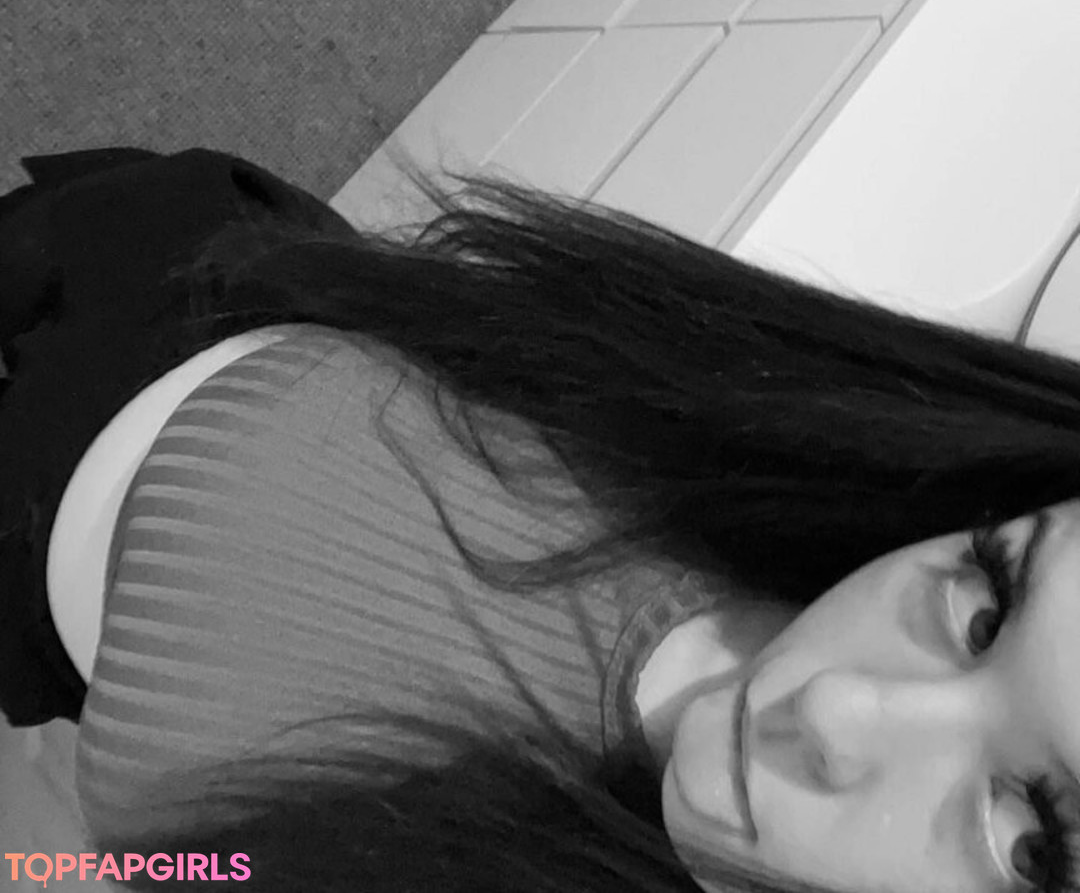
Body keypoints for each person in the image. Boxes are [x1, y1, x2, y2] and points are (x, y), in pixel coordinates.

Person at [5, 146, 1080, 893]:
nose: (840, 708)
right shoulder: (802, 459)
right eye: (986, 606)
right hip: (188, 276)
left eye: (1032, 843)